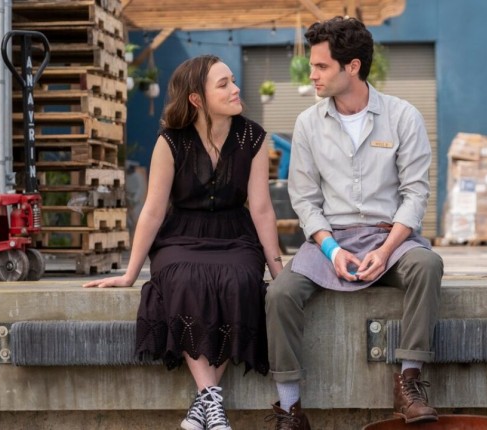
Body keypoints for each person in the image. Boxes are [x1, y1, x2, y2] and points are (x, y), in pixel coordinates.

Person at [84, 55, 284, 430]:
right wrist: (130, 273)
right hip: (181, 236)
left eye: (232, 80)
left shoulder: (252, 137)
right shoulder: (171, 141)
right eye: (223, 84)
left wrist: (278, 272)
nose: (235, 89)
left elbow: (261, 209)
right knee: (183, 279)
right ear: (196, 98)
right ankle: (212, 401)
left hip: (234, 235)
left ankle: (203, 406)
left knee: (240, 281)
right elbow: (153, 210)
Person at [265, 17, 444, 429]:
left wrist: (386, 251)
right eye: (312, 66)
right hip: (331, 239)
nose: (312, 75)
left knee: (427, 265)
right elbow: (305, 199)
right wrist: (331, 249)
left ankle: (409, 383)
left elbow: (415, 194)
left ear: (353, 67)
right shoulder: (308, 123)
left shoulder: (403, 117)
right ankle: (290, 409)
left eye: (321, 66)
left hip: (390, 238)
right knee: (280, 294)